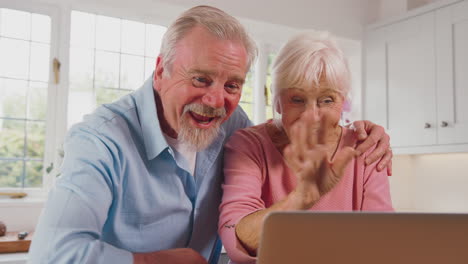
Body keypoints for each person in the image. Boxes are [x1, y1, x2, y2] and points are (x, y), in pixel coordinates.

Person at [29, 6, 392, 264]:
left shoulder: (231, 126)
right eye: (201, 79)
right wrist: (147, 261)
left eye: (232, 85)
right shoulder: (101, 140)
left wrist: (368, 132)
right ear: (161, 70)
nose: (216, 101)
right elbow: (52, 254)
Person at [218, 31, 394, 264]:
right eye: (297, 99)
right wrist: (303, 197)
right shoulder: (249, 145)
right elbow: (239, 240)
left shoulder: (366, 147)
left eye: (327, 100)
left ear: (343, 102)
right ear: (277, 101)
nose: (312, 116)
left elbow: (383, 243)